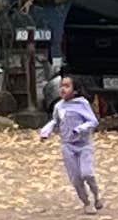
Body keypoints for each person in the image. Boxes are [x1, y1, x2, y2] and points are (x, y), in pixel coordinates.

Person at [39, 81, 103, 212]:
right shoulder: (59, 106)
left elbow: (93, 121)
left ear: (75, 90)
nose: (62, 89)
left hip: (84, 145)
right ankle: (86, 202)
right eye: (61, 86)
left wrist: (81, 129)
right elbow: (55, 121)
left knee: (87, 174)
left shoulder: (83, 104)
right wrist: (46, 131)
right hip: (68, 146)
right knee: (75, 178)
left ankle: (96, 195)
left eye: (67, 86)